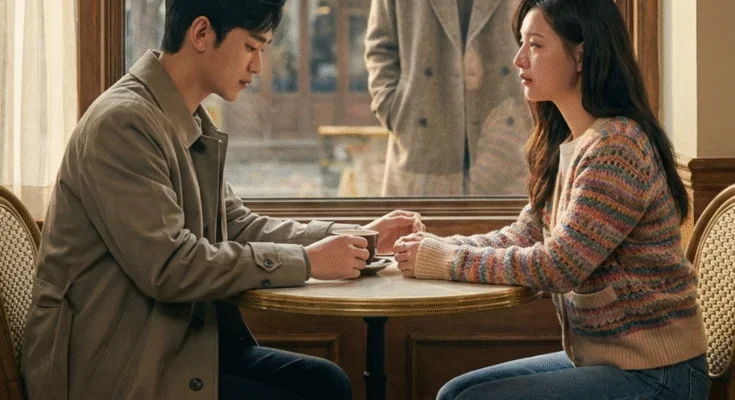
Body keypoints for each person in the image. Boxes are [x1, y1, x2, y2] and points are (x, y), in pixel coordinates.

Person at [21, 1, 424, 399]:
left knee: (325, 382)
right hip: (114, 369)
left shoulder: (184, 117)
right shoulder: (124, 124)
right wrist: (307, 261)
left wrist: (356, 236)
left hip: (169, 347)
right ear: (201, 33)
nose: (258, 66)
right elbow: (170, 266)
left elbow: (238, 224)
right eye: (250, 47)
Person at [393, 0, 710, 399]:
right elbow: (525, 235)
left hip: (658, 374)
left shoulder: (617, 148)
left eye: (536, 45)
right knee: (456, 392)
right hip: (606, 362)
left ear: (580, 56)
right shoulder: (572, 141)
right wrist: (434, 247)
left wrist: (445, 259)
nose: (519, 59)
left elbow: (558, 265)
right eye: (521, 43)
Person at [365, 0, 532, 197]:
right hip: (421, 142)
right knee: (417, 217)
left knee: (513, 215)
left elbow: (550, 32)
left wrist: (537, 114)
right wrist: (397, 112)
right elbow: (380, 48)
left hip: (508, 135)